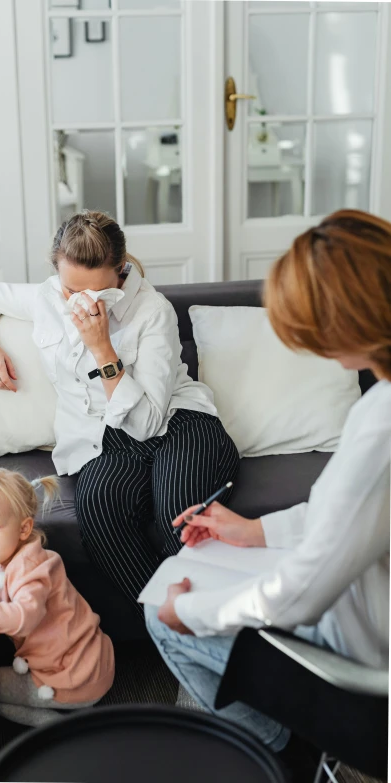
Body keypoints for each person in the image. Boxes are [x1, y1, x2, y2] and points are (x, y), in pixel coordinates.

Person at [145, 209, 391, 753]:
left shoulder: (381, 424)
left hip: (366, 674)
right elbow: (365, 513)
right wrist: (255, 531)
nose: (312, 346)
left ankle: (276, 755)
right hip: (369, 616)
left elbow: (298, 595)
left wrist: (185, 611)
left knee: (159, 616)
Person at [0, 210, 239, 612]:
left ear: (120, 271)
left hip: (176, 422)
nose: (83, 302)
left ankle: (213, 624)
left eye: (99, 292)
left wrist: (103, 348)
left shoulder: (153, 310)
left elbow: (147, 422)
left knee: (180, 516)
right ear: (57, 271)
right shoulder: (46, 298)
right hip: (104, 439)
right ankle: (170, 620)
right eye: (71, 290)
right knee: (101, 512)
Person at [0, 467, 115, 727]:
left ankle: (61, 728)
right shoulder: (13, 558)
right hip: (91, 659)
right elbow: (8, 599)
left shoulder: (28, 570)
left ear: (24, 528)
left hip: (73, 677)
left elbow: (24, 618)